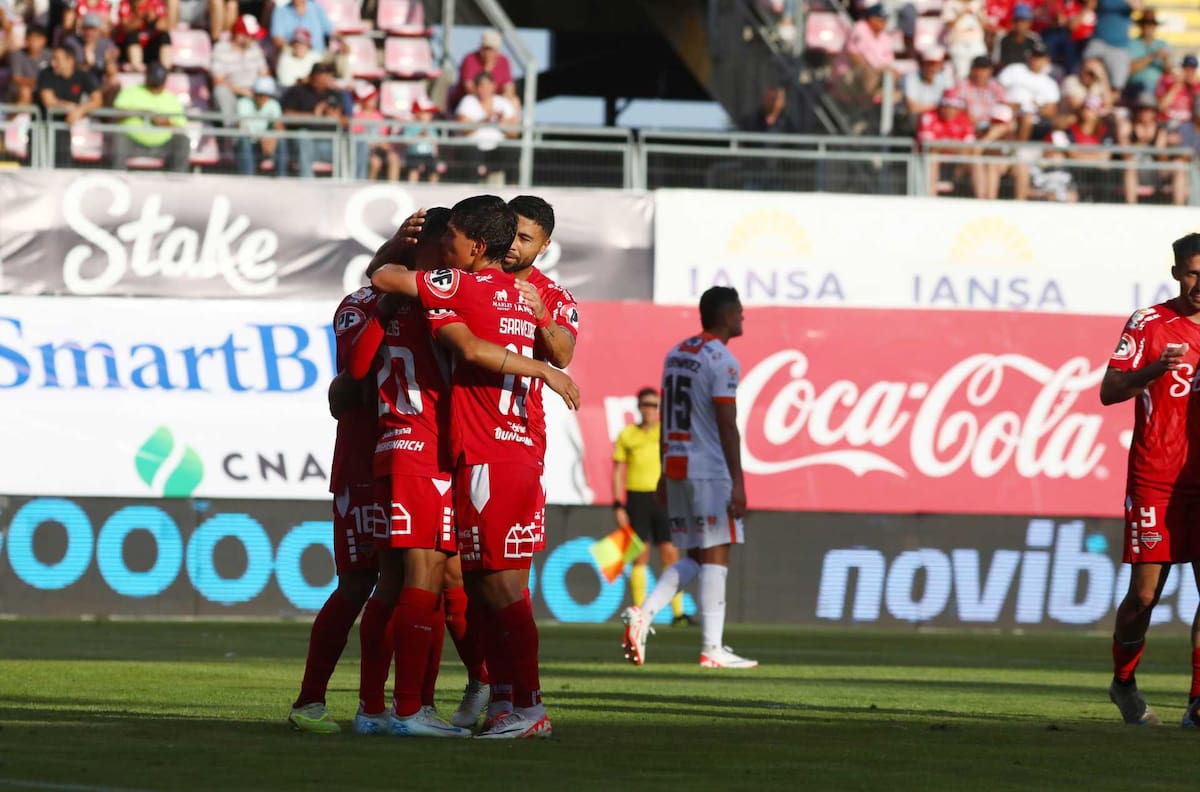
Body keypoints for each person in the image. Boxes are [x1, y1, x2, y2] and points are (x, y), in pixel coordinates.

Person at [352, 207, 578, 738]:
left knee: (499, 590)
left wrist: (546, 366)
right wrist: (543, 359)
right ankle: (506, 698)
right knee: (483, 587)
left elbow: (393, 287)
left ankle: (523, 707)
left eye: (452, 237)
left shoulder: (464, 287)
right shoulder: (515, 297)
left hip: (490, 455)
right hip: (500, 450)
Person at [621, 286, 756, 670]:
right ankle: (712, 648)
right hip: (709, 469)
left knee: (696, 555)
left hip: (678, 466)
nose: (743, 317)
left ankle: (643, 614)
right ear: (726, 316)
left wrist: (664, 470)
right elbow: (727, 425)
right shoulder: (723, 360)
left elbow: (666, 415)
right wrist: (739, 481)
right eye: (740, 311)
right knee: (717, 553)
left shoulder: (676, 353)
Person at [1100, 232, 1200, 729]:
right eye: (1193, 272)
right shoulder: (1150, 323)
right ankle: (1123, 683)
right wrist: (1153, 368)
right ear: (1178, 272)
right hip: (1156, 479)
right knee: (1143, 597)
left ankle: (1198, 703)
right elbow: (1108, 390)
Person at [286, 284, 386, 735]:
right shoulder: (363, 304)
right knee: (359, 583)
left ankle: (481, 693)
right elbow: (344, 391)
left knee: (436, 584)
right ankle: (315, 701)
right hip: (365, 467)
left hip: (427, 466)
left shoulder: (456, 298)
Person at [613, 386, 691, 626]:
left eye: (654, 405)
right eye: (646, 404)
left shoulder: (666, 433)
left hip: (663, 497)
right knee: (639, 555)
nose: (650, 409)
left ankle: (678, 613)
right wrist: (618, 504)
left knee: (671, 554)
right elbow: (617, 472)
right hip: (636, 498)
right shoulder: (627, 435)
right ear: (638, 406)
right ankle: (639, 612)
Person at [111, 62, 189, 171]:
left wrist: (165, 123)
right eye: (153, 83)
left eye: (158, 83)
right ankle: (117, 178)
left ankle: (178, 183)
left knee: (182, 141)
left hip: (162, 146)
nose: (155, 87)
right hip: (132, 143)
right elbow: (115, 114)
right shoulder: (131, 91)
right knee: (118, 136)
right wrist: (141, 112)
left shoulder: (171, 99)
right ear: (146, 78)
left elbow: (181, 127)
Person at [36, 44, 102, 166]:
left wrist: (79, 110)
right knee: (39, 164)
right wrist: (71, 107)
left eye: (57, 59)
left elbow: (97, 100)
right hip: (42, 127)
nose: (53, 63)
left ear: (70, 61)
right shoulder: (46, 74)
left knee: (62, 163)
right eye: (53, 59)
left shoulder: (82, 75)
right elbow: (49, 101)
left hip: (64, 128)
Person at [275, 62, 343, 178]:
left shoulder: (335, 94)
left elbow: (347, 120)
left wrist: (335, 117)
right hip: (303, 144)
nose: (324, 77)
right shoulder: (298, 91)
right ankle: (307, 182)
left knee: (357, 143)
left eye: (326, 74)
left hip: (329, 143)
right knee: (303, 135)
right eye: (320, 73)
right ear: (312, 76)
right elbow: (287, 115)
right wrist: (314, 115)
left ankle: (352, 184)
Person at [211, 13, 269, 121]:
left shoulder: (255, 48)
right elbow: (217, 80)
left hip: (255, 93)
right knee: (220, 91)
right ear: (239, 35)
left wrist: (259, 92)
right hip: (232, 93)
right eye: (250, 36)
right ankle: (229, 131)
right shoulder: (221, 49)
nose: (253, 39)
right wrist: (242, 91)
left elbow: (264, 74)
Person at [234, 75, 280, 175]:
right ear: (254, 94)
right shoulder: (243, 103)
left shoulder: (273, 104)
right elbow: (242, 127)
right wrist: (262, 137)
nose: (262, 98)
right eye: (260, 94)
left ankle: (282, 178)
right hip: (248, 141)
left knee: (282, 142)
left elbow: (280, 127)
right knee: (244, 141)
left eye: (266, 95)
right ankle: (248, 177)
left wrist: (272, 137)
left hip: (264, 143)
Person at [64, 13, 117, 86]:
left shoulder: (106, 44)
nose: (89, 33)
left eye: (93, 29)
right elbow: (66, 70)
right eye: (86, 29)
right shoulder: (72, 43)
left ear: (99, 30)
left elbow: (112, 72)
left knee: (114, 83)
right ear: (81, 29)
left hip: (98, 84)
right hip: (76, 84)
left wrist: (108, 62)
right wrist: (88, 65)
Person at [1126, 9, 1170, 95]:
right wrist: (1153, 56)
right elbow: (1130, 69)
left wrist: (1166, 60)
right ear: (1140, 25)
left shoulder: (1162, 44)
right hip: (1136, 89)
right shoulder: (1131, 44)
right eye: (1145, 23)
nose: (1148, 26)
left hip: (1158, 91)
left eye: (1151, 23)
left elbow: (1169, 72)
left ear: (1155, 26)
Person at [269, 0, 334, 55]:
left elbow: (331, 30)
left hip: (317, 55)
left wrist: (342, 42)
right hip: (293, 56)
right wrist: (296, 47)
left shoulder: (316, 7)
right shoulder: (281, 11)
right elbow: (276, 39)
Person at [993, 3, 1045, 70]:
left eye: (1024, 21)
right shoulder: (1002, 38)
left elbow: (1040, 62)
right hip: (1006, 75)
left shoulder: (1034, 39)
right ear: (1013, 21)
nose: (1020, 24)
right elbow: (996, 62)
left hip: (1028, 76)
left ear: (1030, 23)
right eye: (1017, 20)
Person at [7, 24, 50, 104]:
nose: (32, 42)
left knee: (48, 93)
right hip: (20, 93)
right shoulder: (17, 54)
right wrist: (39, 82)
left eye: (36, 39)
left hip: (44, 91)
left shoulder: (50, 55)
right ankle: (22, 115)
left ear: (44, 40)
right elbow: (16, 78)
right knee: (25, 91)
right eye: (29, 38)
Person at [1158, 55, 1200, 126]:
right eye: (1187, 69)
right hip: (1168, 123)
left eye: (1193, 69)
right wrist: (1177, 85)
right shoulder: (1167, 81)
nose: (1190, 73)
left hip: (1188, 126)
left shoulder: (1196, 86)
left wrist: (1192, 87)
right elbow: (1161, 107)